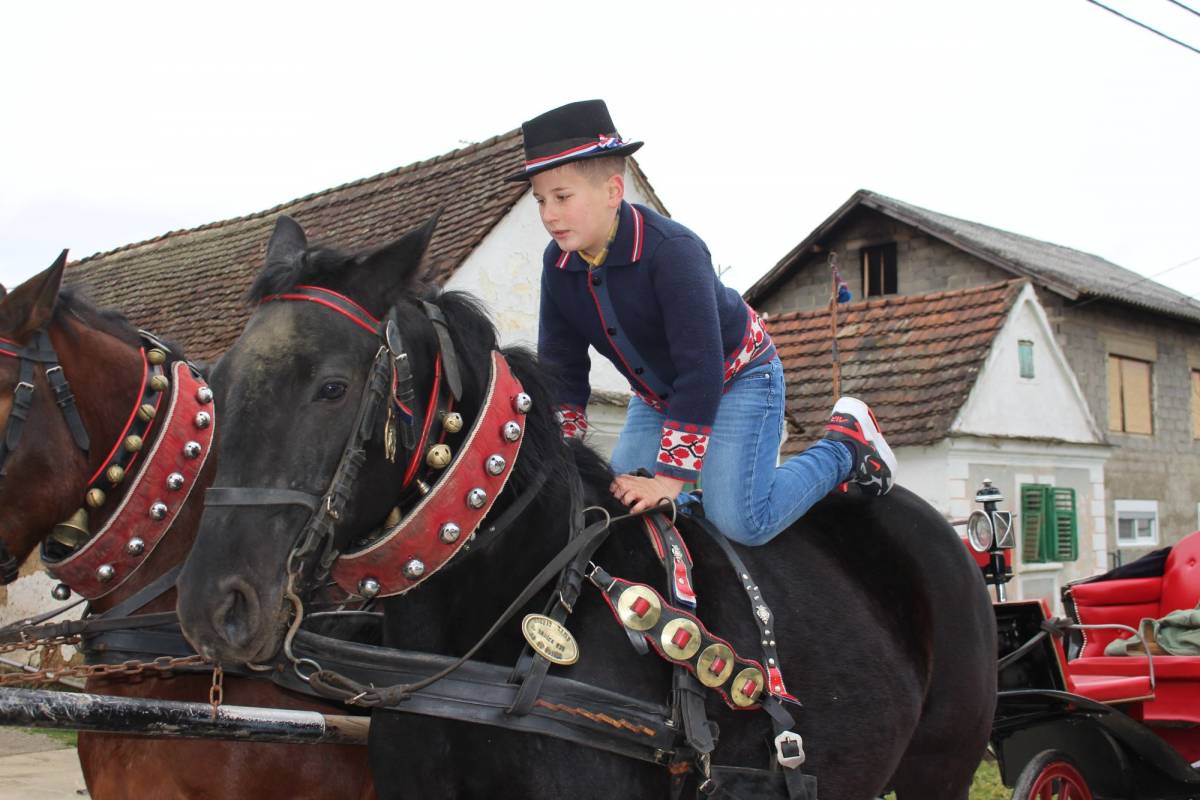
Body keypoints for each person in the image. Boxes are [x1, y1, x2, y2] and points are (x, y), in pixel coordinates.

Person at [509, 100, 897, 546]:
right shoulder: (557, 265)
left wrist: (667, 480)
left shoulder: (673, 251)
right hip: (657, 398)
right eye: (541, 200)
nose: (549, 215)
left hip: (739, 378)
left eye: (562, 197)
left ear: (613, 191)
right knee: (613, 513)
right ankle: (695, 506)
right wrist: (558, 452)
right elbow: (563, 371)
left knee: (742, 523)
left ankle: (845, 447)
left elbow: (700, 368)